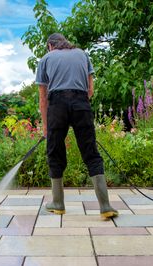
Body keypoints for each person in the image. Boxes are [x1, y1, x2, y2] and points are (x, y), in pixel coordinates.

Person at [35, 33, 118, 220]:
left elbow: (42, 98)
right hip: (81, 103)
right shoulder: (82, 54)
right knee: (91, 152)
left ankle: (58, 203)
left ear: (50, 45)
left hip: (57, 105)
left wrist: (47, 127)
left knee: (54, 151)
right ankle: (105, 206)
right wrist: (78, 107)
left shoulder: (46, 59)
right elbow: (90, 90)